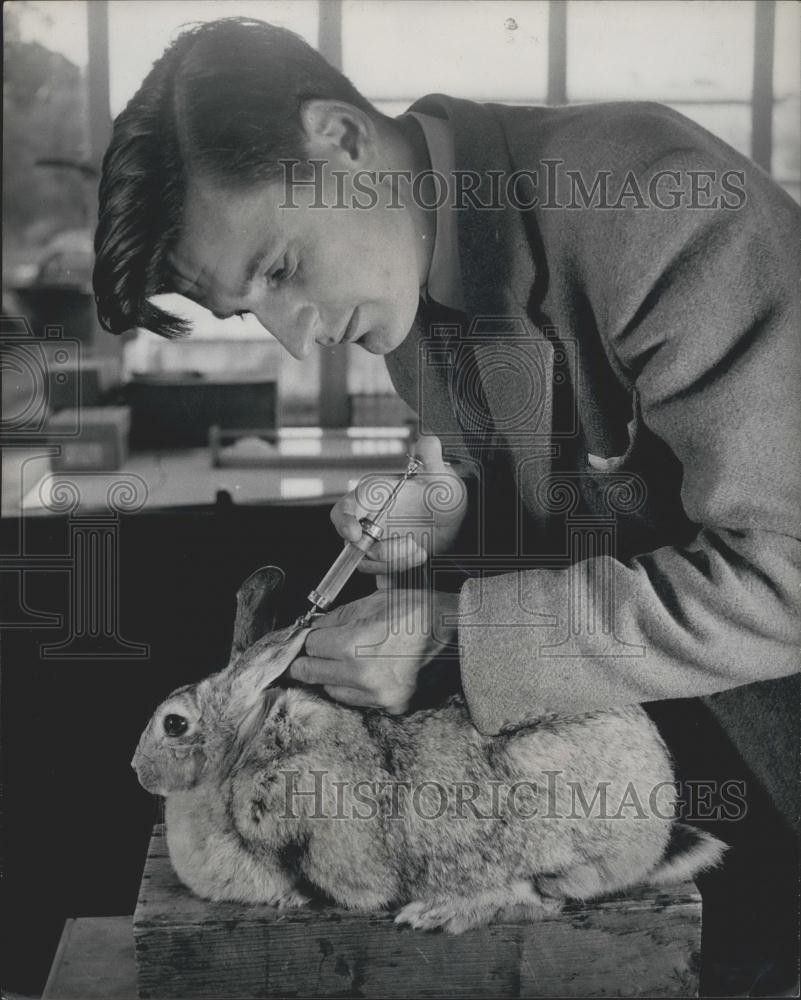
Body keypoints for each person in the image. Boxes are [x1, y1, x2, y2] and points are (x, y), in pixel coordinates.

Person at [93, 18, 799, 992]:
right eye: (254, 311)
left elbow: (786, 577)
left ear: (339, 137)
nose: (300, 342)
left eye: (283, 270)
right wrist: (459, 517)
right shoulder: (412, 298)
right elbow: (584, 528)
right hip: (633, 807)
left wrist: (459, 631)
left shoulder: (656, 204)